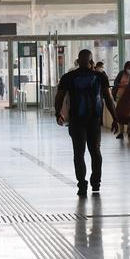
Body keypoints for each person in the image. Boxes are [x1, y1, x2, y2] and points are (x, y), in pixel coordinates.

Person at [54, 49, 119, 198]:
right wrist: (115, 118)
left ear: (78, 60)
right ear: (91, 61)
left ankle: (82, 185)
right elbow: (108, 99)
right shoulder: (99, 76)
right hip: (94, 121)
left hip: (76, 121)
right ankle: (96, 182)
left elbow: (59, 97)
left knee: (79, 153)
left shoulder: (69, 77)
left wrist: (58, 113)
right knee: (95, 151)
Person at [113, 61, 130, 141]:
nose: (128, 69)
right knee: (120, 114)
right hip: (120, 96)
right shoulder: (121, 73)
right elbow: (116, 82)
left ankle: (129, 132)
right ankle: (121, 132)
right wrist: (121, 85)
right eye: (127, 68)